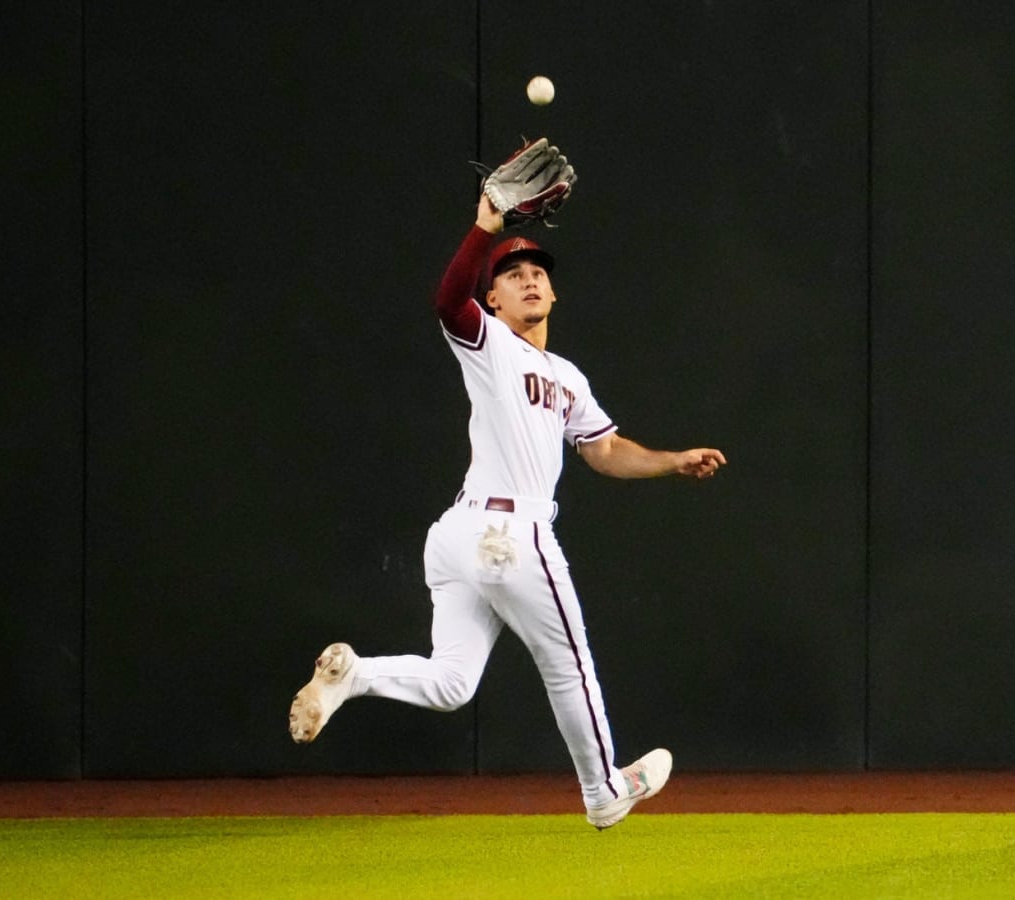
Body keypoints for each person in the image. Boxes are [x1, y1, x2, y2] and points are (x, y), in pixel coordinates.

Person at [289, 190, 727, 829]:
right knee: (570, 665)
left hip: (459, 536)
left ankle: (353, 676)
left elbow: (603, 451)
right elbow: (447, 301)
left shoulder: (567, 377)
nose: (527, 281)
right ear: (491, 299)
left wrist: (671, 460)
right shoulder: (488, 341)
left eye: (536, 274)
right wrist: (485, 226)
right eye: (512, 276)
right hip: (506, 531)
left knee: (452, 683)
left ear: (553, 295)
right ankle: (604, 791)